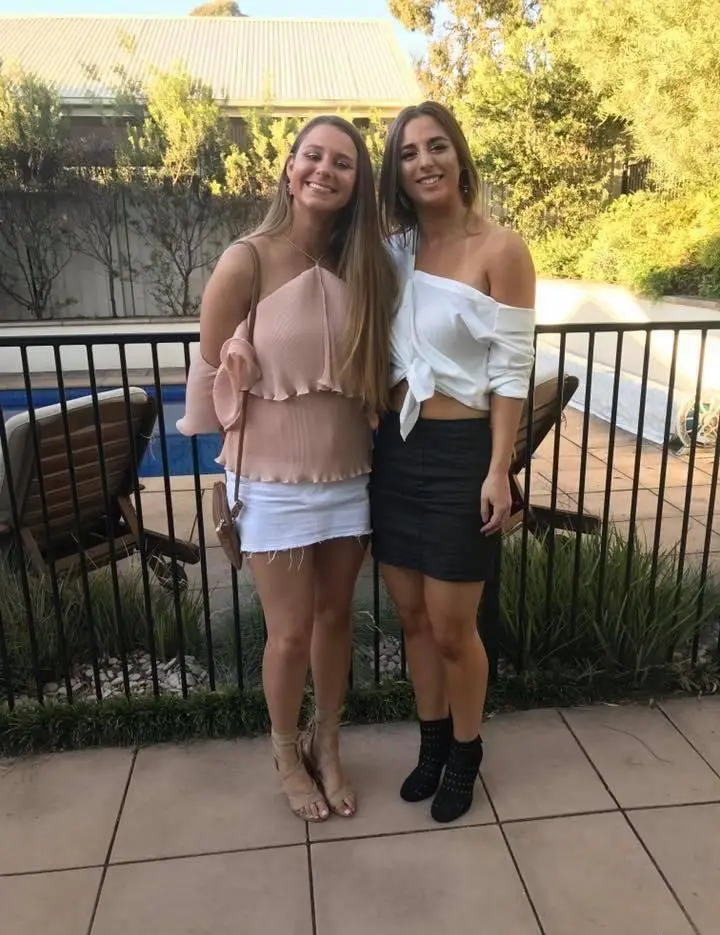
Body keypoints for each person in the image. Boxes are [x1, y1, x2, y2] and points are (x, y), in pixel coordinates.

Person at [178, 115, 397, 823]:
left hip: (349, 477)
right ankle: (283, 752)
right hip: (271, 485)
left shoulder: (366, 267)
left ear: (357, 182)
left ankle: (326, 743)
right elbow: (211, 372)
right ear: (290, 167)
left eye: (343, 162)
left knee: (337, 618)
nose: (325, 170)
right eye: (313, 156)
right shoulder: (246, 259)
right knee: (291, 632)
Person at [371, 101, 536, 823]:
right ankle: (432, 743)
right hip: (394, 451)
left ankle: (467, 751)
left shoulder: (502, 249)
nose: (424, 161)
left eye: (436, 146)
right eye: (408, 153)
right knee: (412, 617)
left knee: (450, 626)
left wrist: (499, 468)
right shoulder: (392, 251)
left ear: (459, 156)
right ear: (398, 173)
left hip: (462, 455)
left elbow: (511, 371)